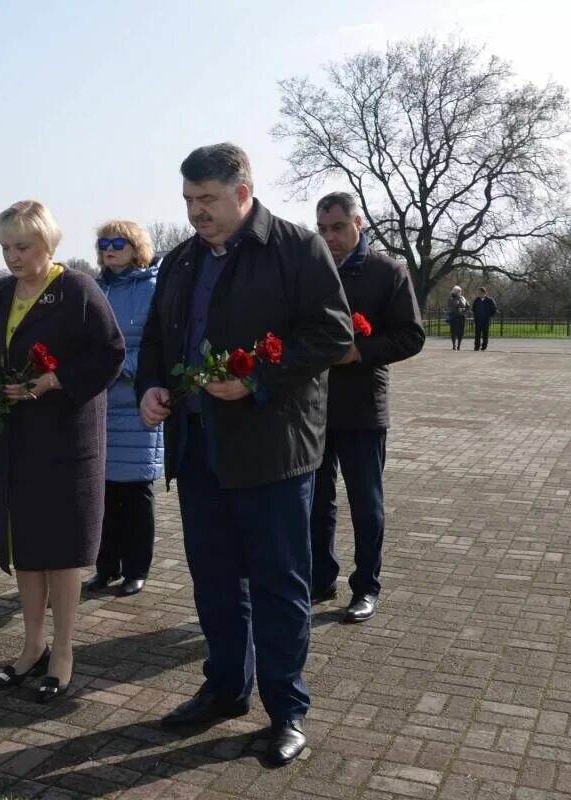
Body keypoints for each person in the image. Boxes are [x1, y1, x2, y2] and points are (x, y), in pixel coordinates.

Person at [137, 143, 353, 767]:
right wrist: (151, 387)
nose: (195, 212)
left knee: (279, 585)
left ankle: (287, 711)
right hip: (199, 447)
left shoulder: (294, 248)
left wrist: (257, 379)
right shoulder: (180, 260)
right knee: (214, 578)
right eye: (187, 200)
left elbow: (332, 332)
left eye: (206, 199)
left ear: (241, 192)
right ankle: (225, 687)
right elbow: (158, 339)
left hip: (272, 450)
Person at [0, 200, 124, 703]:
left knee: (61, 550)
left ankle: (63, 652)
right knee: (26, 547)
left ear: (48, 243)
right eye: (6, 247)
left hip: (65, 440)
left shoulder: (78, 290)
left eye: (23, 246)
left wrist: (57, 379)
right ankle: (31, 645)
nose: (13, 256)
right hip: (14, 441)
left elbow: (111, 353)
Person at [310, 193, 425, 624]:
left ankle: (366, 587)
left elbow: (411, 336)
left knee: (365, 501)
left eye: (337, 227)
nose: (329, 237)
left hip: (362, 406)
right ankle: (320, 578)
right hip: (313, 406)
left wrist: (358, 353)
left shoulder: (386, 271)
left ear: (359, 223)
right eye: (322, 229)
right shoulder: (311, 268)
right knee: (316, 501)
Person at [83, 221, 164, 598]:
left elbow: (156, 344)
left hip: (135, 402)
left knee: (135, 492)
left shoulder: (153, 288)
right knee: (102, 491)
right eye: (104, 243)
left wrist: (119, 366)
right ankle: (105, 566)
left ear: (136, 247)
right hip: (98, 402)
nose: (109, 249)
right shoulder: (93, 288)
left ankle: (136, 568)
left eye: (118, 242)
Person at [472, 286, 497, 351]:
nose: (479, 294)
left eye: (480, 292)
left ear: (484, 293)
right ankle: (476, 346)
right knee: (477, 334)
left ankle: (484, 346)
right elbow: (473, 309)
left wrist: (489, 316)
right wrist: (476, 316)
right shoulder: (476, 300)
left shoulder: (490, 300)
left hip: (486, 320)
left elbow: (494, 309)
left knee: (485, 334)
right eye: (478, 292)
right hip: (478, 320)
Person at [446, 286, 470, 350]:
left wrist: (464, 310)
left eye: (460, 291)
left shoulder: (463, 298)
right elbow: (451, 307)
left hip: (461, 317)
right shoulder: (451, 299)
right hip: (454, 317)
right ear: (454, 292)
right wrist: (456, 299)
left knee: (461, 331)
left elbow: (468, 306)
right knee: (453, 331)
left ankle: (459, 345)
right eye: (458, 291)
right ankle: (454, 344)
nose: (460, 292)